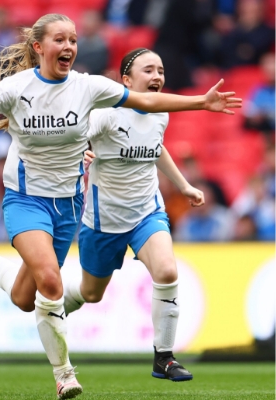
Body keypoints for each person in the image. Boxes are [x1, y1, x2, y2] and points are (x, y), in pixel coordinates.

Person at [0, 13, 241, 399]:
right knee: (50, 281)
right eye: (60, 40)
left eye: (73, 40)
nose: (68, 47)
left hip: (68, 203)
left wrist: (202, 101)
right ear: (38, 47)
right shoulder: (18, 87)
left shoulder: (88, 87)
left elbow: (147, 103)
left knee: (22, 298)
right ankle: (65, 375)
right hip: (26, 199)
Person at [61, 48, 204, 382]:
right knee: (91, 294)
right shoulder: (107, 113)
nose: (157, 77)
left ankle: (163, 358)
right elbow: (75, 138)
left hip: (146, 213)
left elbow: (155, 146)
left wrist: (182, 185)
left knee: (167, 271)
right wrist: (80, 154)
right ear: (126, 80)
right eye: (148, 70)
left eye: (161, 70)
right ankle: (51, 309)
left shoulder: (161, 112)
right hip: (103, 222)